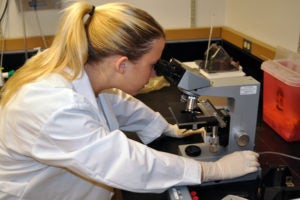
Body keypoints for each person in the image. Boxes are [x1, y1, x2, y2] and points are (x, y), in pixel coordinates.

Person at [0, 1, 260, 200]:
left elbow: (118, 103)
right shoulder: (54, 106)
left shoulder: (74, 70)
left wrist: (165, 128)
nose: (155, 74)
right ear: (122, 64)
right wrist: (213, 171)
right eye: (152, 65)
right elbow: (127, 163)